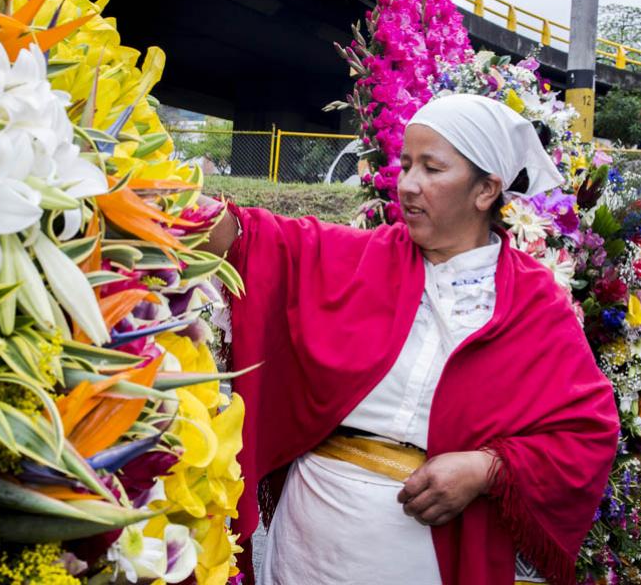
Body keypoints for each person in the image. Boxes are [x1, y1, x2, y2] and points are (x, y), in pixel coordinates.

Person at [201, 94, 619, 585]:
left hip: (424, 555)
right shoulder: (358, 256)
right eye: (404, 165)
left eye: (431, 168)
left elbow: (587, 433)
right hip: (309, 542)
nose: (407, 185)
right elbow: (250, 238)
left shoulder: (532, 304)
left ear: (486, 190)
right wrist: (139, 183)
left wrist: (485, 469)